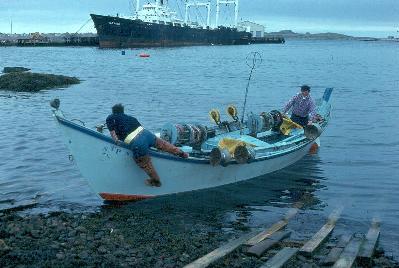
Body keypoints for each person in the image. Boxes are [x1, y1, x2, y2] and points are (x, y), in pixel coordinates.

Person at [106, 104, 188, 187]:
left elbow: (114, 136)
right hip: (147, 134)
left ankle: (156, 181)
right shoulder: (131, 118)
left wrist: (117, 142)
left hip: (138, 143)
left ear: (113, 111)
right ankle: (182, 153)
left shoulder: (110, 118)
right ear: (122, 111)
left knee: (145, 163)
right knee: (164, 145)